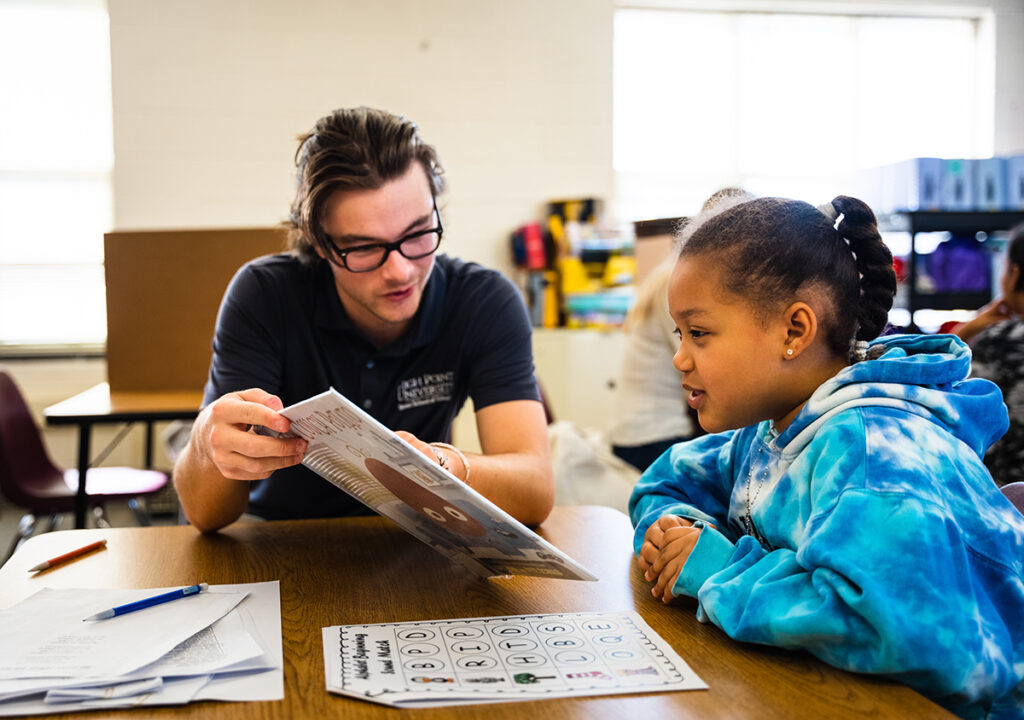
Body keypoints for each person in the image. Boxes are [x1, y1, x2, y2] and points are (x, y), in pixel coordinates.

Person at [629, 195, 1024, 718]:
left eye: (699, 334)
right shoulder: (770, 430)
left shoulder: (871, 450)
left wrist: (716, 568)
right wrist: (676, 533)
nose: (680, 357)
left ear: (795, 330)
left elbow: (902, 636)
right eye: (681, 334)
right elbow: (665, 484)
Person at [174, 107, 554, 533]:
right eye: (364, 249)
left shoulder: (484, 301)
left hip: (418, 541)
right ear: (319, 242)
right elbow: (205, 515)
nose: (400, 271)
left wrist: (443, 467)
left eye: (418, 233)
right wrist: (207, 444)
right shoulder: (265, 295)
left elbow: (535, 489)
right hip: (281, 540)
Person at [609, 188, 752, 471]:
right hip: (652, 437)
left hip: (644, 432)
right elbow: (705, 364)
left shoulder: (671, 273)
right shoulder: (678, 282)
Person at [953, 222, 1024, 487]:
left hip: (1007, 497)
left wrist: (966, 331)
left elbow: (960, 414)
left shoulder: (999, 341)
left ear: (1014, 274)